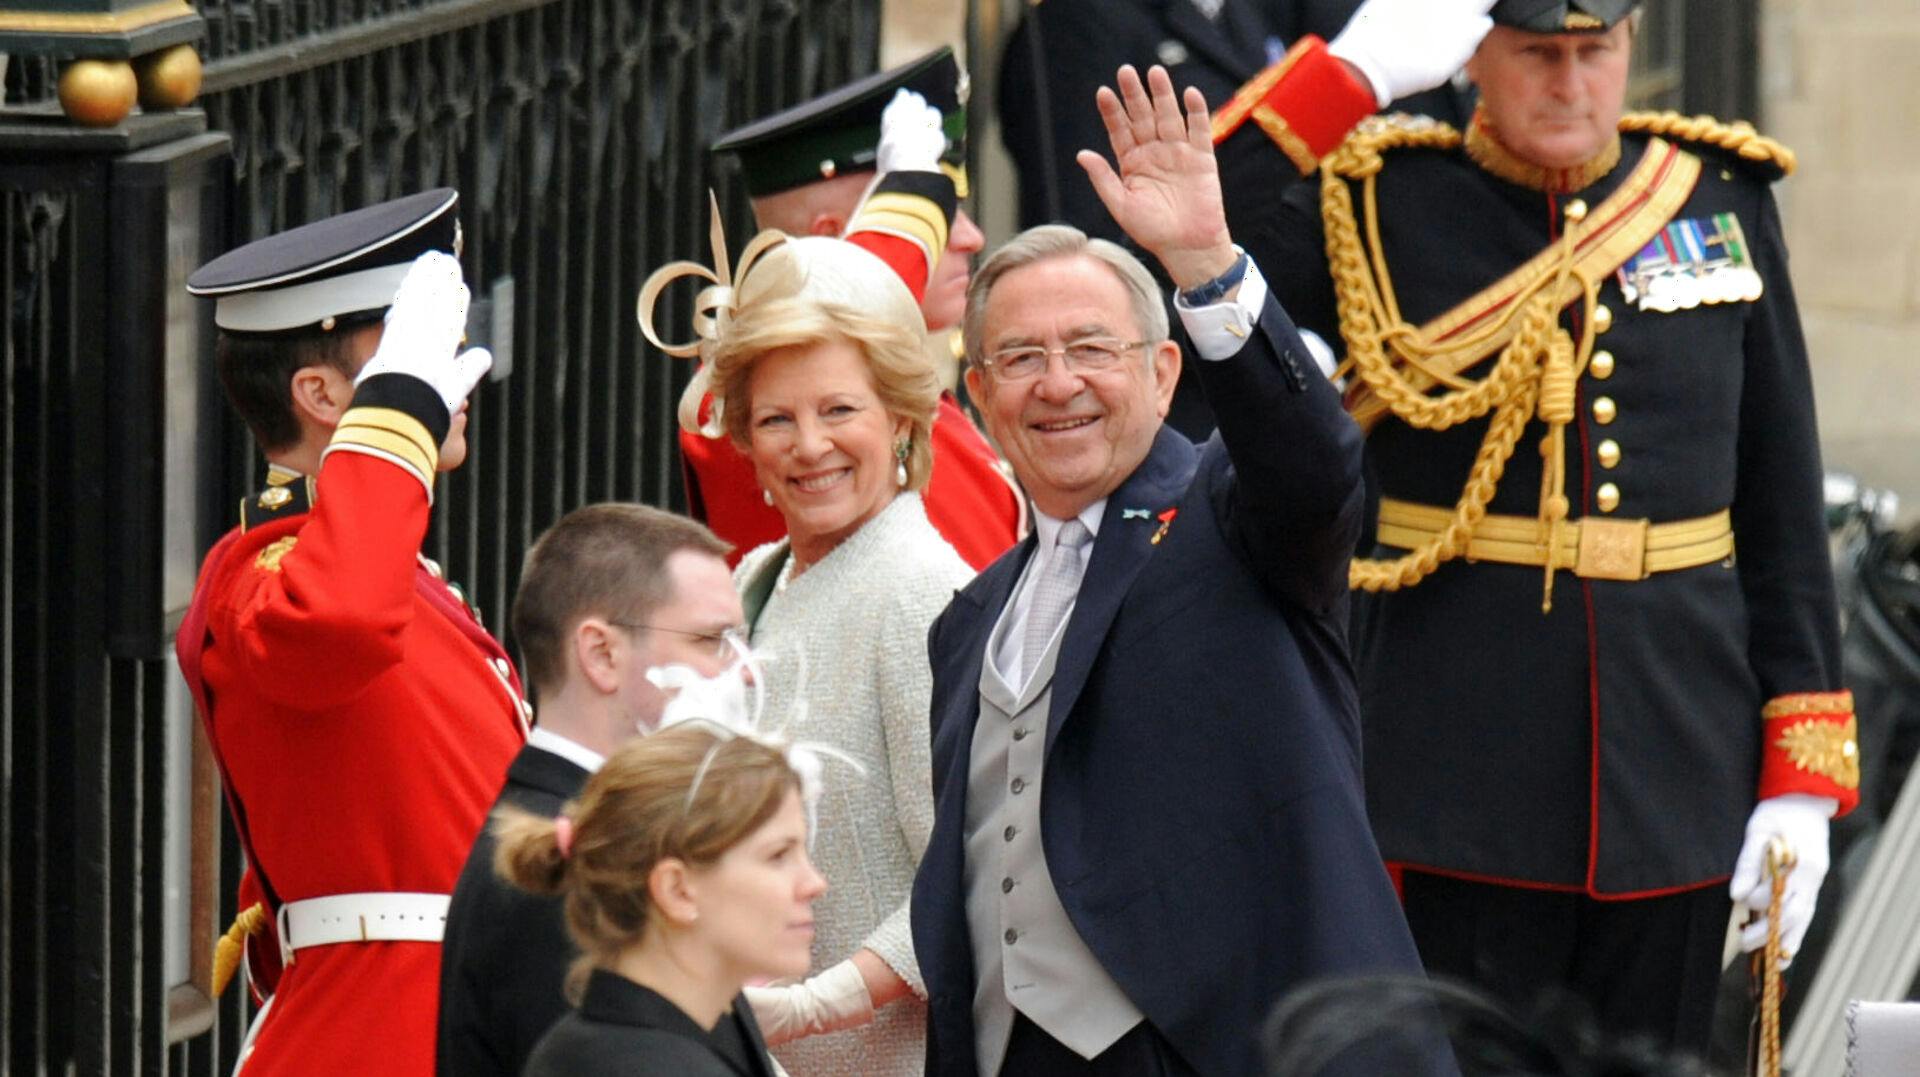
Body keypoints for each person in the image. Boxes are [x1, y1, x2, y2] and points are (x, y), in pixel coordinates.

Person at [1216, 0, 1861, 1054]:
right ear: (1473, 52)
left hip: (1680, 766)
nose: (1569, 82)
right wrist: (1351, 78)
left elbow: (1781, 510)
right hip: (1451, 769)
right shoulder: (1380, 199)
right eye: (1538, 53)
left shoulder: (1718, 195)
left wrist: (1801, 782)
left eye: (1592, 51)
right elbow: (1177, 238)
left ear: (1630, 44)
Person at [910, 64, 1451, 1077]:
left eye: (1090, 349)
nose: (1058, 383)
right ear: (979, 396)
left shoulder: (1229, 518)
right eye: (1020, 359)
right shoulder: (969, 622)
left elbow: (1313, 462)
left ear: (1164, 373)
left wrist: (1205, 261)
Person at [643, 91, 975, 1076]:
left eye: (841, 410)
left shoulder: (922, 589)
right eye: (778, 419)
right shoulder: (754, 579)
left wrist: (805, 1009)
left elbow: (967, 868)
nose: (811, 446)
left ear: (904, 418)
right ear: (740, 433)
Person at [175, 191, 528, 1075]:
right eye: (409, 350)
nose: (445, 371)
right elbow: (340, 620)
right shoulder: (261, 575)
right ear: (323, 394)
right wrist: (398, 412)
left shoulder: (380, 561)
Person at [436, 503, 744, 1077]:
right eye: (711, 640)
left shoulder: (611, 835)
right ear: (602, 654)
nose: (743, 670)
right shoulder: (564, 866)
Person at [692, 47, 1024, 571]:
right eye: (943, 218)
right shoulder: (748, 379)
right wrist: (911, 197)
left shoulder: (882, 368)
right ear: (838, 238)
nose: (972, 237)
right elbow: (830, 309)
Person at [498, 721, 823, 1077]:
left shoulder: (588, 1046)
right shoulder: (649, 1063)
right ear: (677, 890)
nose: (814, 883)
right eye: (778, 856)